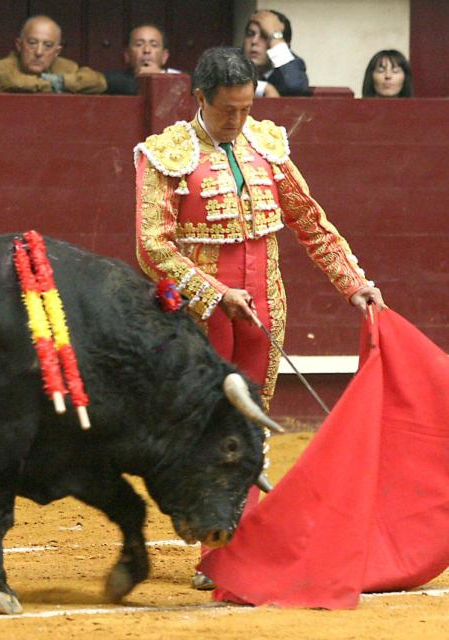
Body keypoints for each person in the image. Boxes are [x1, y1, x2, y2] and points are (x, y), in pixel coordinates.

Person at [133, 47, 384, 589]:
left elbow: (311, 224)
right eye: (229, 110)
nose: (240, 120)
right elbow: (153, 247)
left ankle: (238, 540)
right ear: (200, 99)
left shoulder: (267, 148)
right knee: (209, 424)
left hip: (265, 305)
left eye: (247, 108)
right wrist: (213, 291)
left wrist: (354, 285)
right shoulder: (166, 154)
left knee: (251, 422)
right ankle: (215, 542)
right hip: (204, 315)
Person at [0, 15, 106, 94]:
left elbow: (98, 82)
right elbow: (11, 81)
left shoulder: (66, 68)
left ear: (57, 51)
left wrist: (60, 81)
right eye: (32, 43)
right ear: (19, 45)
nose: (39, 52)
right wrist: (53, 85)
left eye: (48, 45)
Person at [242, 9, 308, 97]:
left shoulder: (291, 70)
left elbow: (295, 86)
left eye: (265, 36)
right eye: (250, 34)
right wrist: (264, 88)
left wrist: (275, 36)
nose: (254, 41)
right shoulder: (230, 62)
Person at [105, 23, 182, 95]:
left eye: (154, 45)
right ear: (127, 55)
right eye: (139, 44)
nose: (146, 50)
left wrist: (160, 76)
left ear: (164, 57)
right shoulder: (116, 81)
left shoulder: (181, 78)